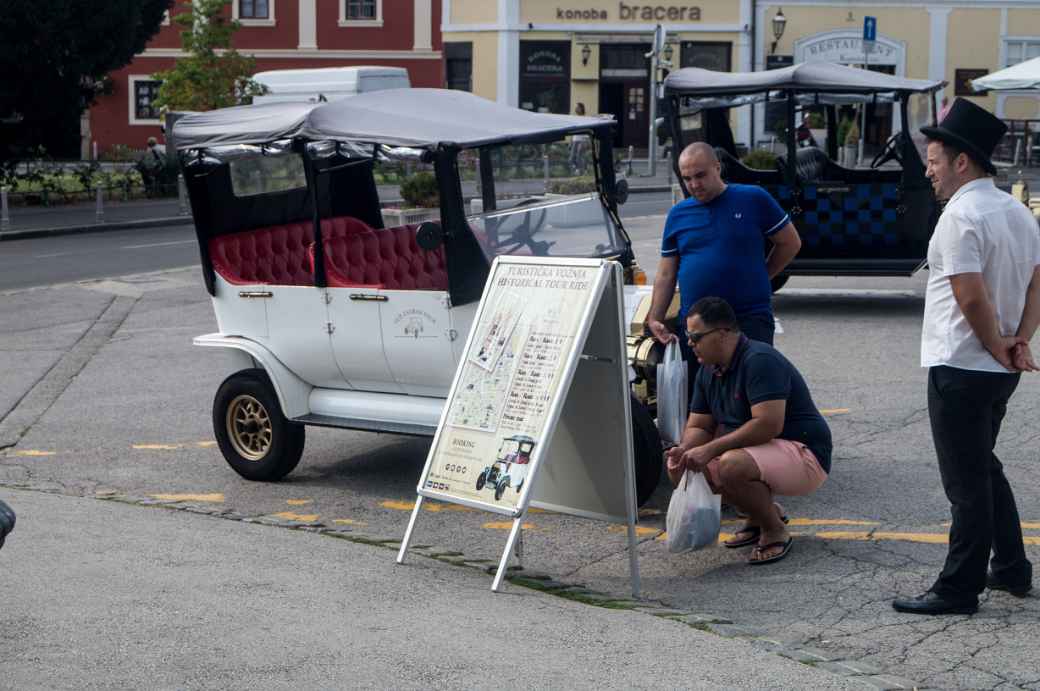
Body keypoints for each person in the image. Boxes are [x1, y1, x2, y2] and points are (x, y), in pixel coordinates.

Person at [892, 98, 1040, 616]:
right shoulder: (1016, 210)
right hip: (999, 368)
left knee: (966, 485)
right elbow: (1037, 281)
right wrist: (1019, 338)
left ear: (961, 161)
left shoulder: (961, 215)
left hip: (961, 364)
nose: (928, 171)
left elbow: (970, 295)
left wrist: (999, 342)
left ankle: (958, 588)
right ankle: (1012, 569)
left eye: (933, 161)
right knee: (983, 467)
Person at [665, 296, 832, 565]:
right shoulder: (709, 370)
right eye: (688, 336)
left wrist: (710, 449)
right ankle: (760, 514)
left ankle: (774, 530)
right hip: (764, 454)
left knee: (731, 465)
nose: (689, 343)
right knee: (688, 467)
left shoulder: (760, 359)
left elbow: (768, 424)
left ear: (722, 333)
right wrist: (685, 452)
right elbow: (699, 425)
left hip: (805, 455)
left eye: (696, 337)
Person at [647, 142, 802, 359]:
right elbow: (666, 274)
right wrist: (655, 318)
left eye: (700, 175)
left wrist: (762, 276)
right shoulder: (678, 214)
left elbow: (790, 243)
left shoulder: (753, 198)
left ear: (717, 168)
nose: (694, 184)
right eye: (687, 178)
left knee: (750, 386)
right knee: (699, 391)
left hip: (748, 319)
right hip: (696, 326)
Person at [568, 103, 589, 174]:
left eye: (578, 107)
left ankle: (583, 170)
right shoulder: (574, 118)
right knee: (571, 158)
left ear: (581, 108)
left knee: (579, 155)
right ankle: (577, 169)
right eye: (576, 107)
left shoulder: (585, 119)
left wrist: (586, 141)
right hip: (575, 140)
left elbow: (587, 131)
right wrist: (570, 142)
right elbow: (572, 131)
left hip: (583, 140)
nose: (576, 109)